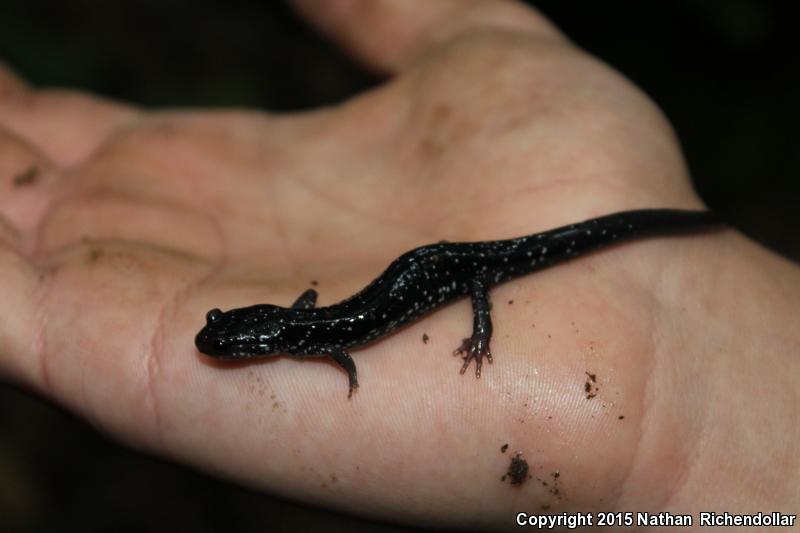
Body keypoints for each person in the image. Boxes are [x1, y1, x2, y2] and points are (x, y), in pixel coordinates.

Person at [0, 0, 797, 529]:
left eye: (232, 338)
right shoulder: (305, 329)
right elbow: (320, 317)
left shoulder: (314, 337)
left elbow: (339, 341)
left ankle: (680, 225)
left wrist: (476, 330)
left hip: (455, 267)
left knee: (533, 256)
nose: (229, 342)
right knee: (504, 259)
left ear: (268, 337)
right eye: (230, 337)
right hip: (430, 263)